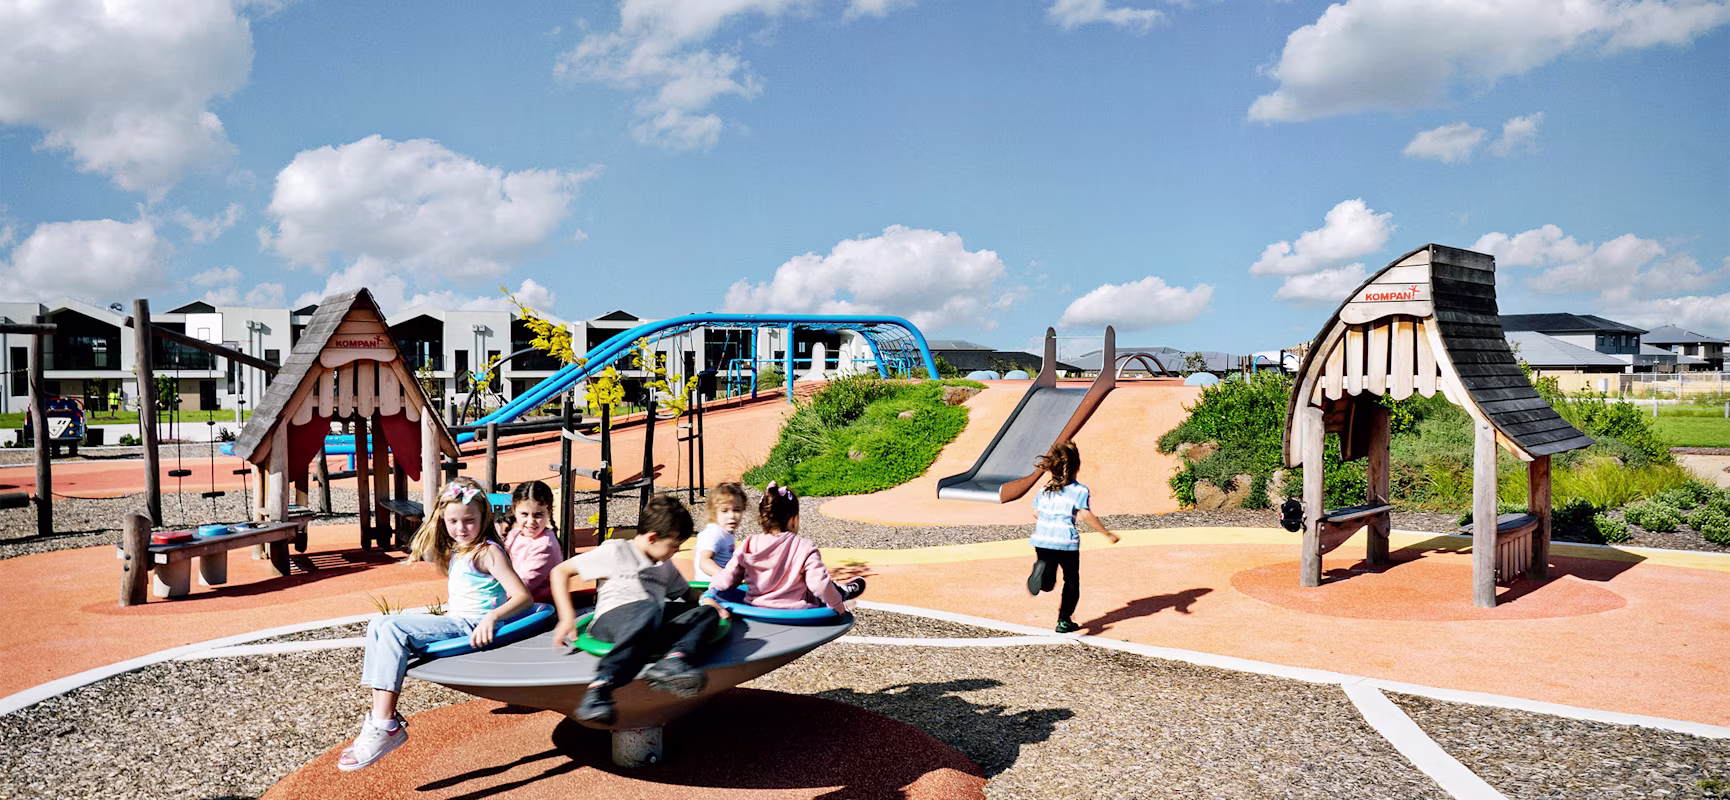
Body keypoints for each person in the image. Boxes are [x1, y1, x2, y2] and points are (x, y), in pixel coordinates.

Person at [339, 477, 532, 771]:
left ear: (484, 516)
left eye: (469, 520)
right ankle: (379, 719)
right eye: (453, 521)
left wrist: (492, 618)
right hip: (459, 620)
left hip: (473, 626)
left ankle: (385, 725)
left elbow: (523, 597)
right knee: (379, 623)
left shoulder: (487, 551)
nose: (461, 528)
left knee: (392, 629)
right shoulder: (460, 549)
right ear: (443, 520)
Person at [549, 494, 723, 726]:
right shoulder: (616, 551)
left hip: (648, 625)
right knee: (649, 608)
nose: (675, 551)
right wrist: (566, 617)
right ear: (653, 537)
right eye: (674, 546)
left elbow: (688, 595)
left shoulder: (665, 566)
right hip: (612, 620)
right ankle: (599, 689)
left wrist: (710, 602)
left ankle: (673, 661)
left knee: (705, 613)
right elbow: (559, 572)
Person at [707, 481, 866, 615]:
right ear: (793, 520)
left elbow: (728, 579)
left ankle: (841, 592)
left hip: (756, 612)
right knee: (815, 590)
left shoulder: (749, 544)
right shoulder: (804, 546)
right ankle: (841, 594)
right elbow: (819, 584)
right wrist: (838, 608)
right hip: (795, 614)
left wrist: (711, 590)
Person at [1025, 440, 1119, 633]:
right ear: (1077, 467)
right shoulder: (1079, 490)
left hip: (1042, 538)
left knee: (1048, 581)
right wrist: (1106, 533)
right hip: (1065, 540)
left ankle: (1041, 573)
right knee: (1071, 580)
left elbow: (1035, 513)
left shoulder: (1043, 490)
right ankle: (1064, 621)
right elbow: (1085, 514)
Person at [503, 480, 562, 603]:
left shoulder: (545, 545)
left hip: (536, 608)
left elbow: (524, 585)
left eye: (538, 515)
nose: (531, 521)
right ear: (514, 511)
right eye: (524, 514)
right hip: (513, 600)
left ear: (549, 513)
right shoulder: (515, 534)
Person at [693, 482, 748, 582]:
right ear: (714, 511)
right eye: (724, 511)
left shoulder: (726, 532)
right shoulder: (714, 533)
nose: (731, 515)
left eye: (737, 510)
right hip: (709, 586)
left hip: (720, 583)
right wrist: (724, 575)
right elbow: (704, 561)